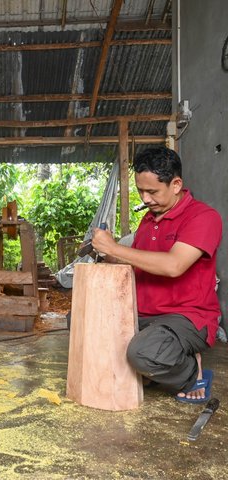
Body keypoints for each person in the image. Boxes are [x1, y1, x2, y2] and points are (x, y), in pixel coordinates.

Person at [92, 146, 222, 404]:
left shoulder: (204, 217)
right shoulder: (148, 222)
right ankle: (157, 365)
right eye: (141, 191)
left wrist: (115, 247)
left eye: (152, 191)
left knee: (143, 353)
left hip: (186, 316)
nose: (146, 199)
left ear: (176, 184)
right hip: (145, 314)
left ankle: (189, 372)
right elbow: (140, 262)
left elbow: (173, 265)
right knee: (86, 322)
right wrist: (109, 254)